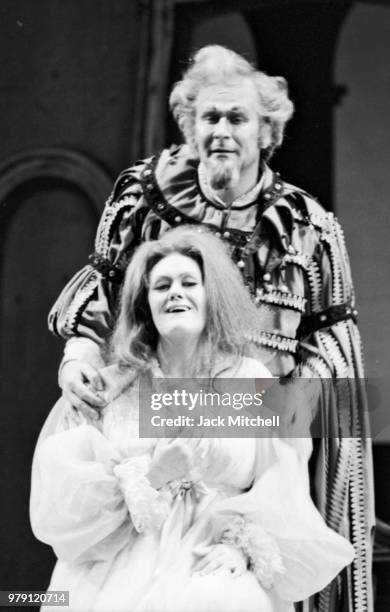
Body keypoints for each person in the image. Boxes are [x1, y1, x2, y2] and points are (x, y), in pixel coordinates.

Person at [48, 45, 374, 610]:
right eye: (210, 118)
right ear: (191, 126)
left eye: (237, 118)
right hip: (149, 406)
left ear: (266, 132)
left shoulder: (307, 227)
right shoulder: (143, 196)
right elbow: (103, 286)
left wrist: (292, 399)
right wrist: (78, 356)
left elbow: (332, 335)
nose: (222, 130)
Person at [31, 228, 354, 612]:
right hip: (119, 568)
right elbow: (70, 506)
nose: (175, 292)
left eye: (189, 282)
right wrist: (153, 476)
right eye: (161, 285)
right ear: (144, 304)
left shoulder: (250, 380)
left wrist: (243, 550)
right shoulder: (113, 386)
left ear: (210, 296)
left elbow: (282, 487)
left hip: (213, 564)